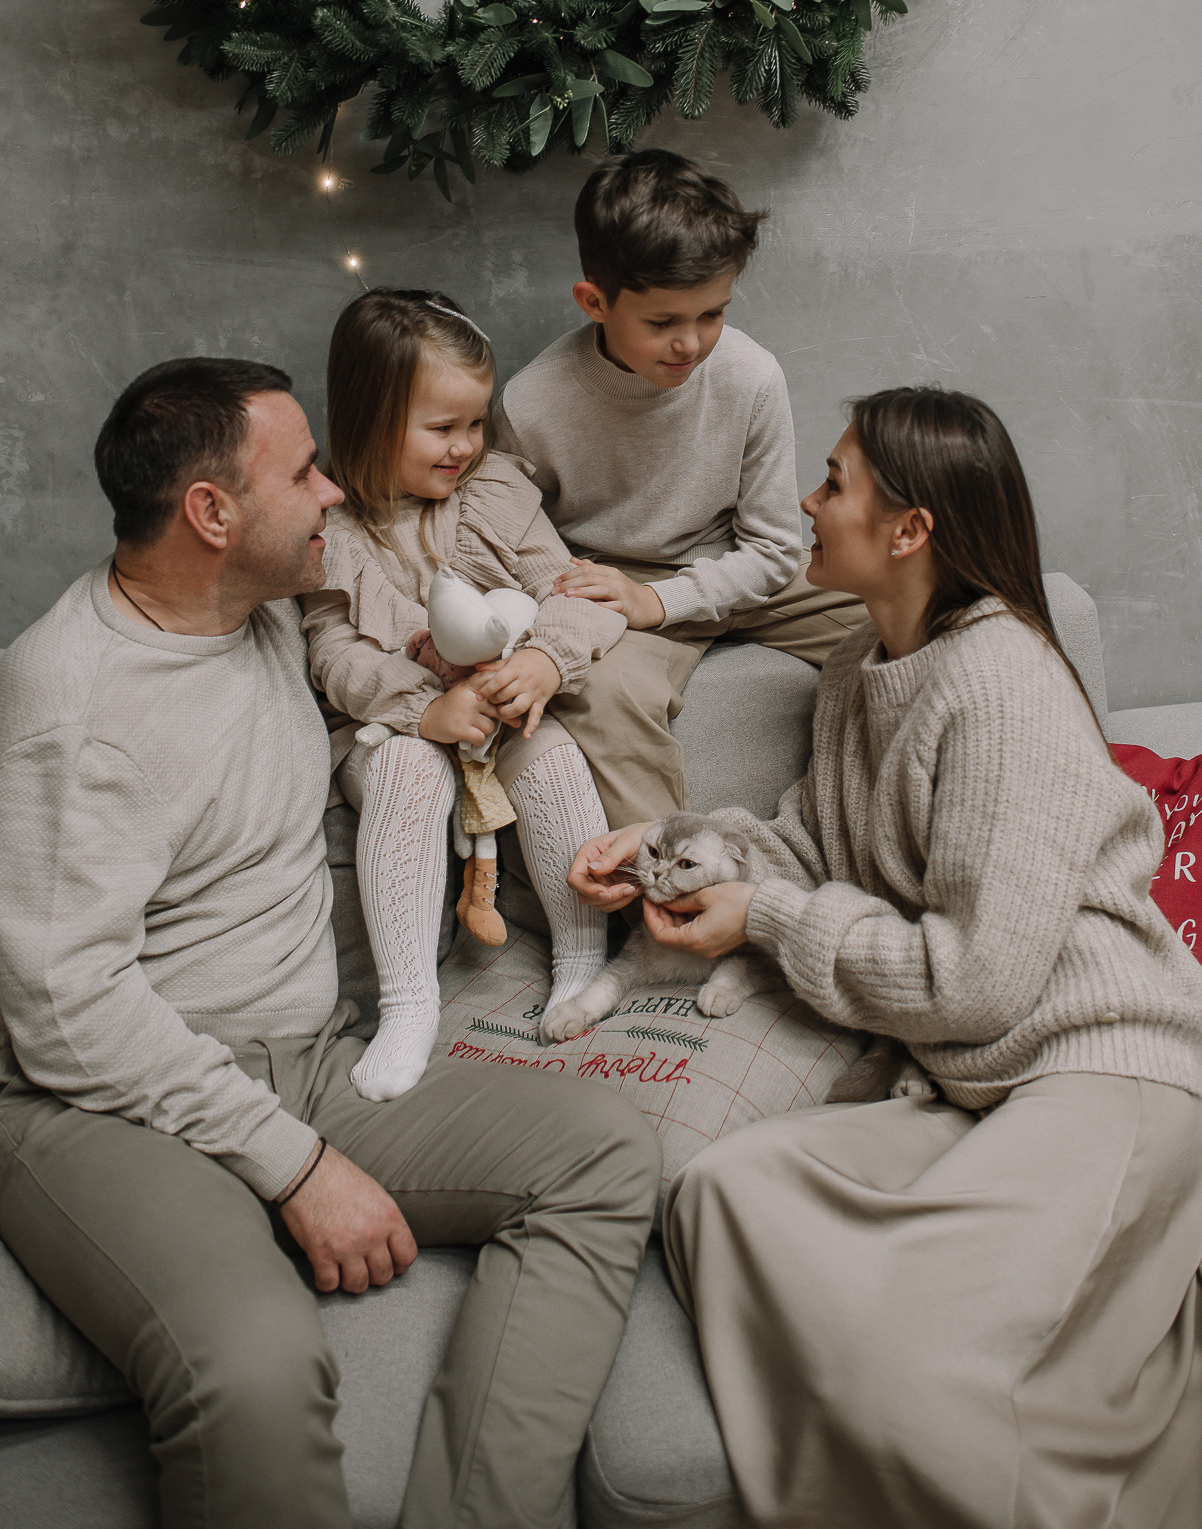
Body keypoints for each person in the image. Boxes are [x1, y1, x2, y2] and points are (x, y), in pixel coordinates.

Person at [0, 356, 661, 1529]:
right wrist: (294, 1166)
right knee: (250, 1364)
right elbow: (63, 1010)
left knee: (602, 1153)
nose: (328, 495)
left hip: (301, 1056)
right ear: (211, 514)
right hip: (100, 1100)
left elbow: (392, 682)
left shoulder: (252, 616)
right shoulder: (75, 713)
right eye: (301, 472)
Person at [570, 386, 1202, 1529]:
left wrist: (758, 917)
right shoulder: (861, 662)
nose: (805, 504)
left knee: (919, 1385)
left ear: (908, 530)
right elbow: (814, 847)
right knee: (720, 1192)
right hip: (964, 1082)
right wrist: (673, 848)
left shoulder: (1001, 684)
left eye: (832, 482)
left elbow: (974, 981)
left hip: (1099, 1073)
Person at [300, 288, 623, 1098]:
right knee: (411, 772)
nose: (465, 446)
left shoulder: (495, 493)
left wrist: (545, 659)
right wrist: (422, 710)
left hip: (502, 710)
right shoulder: (334, 530)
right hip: (389, 730)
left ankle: (580, 959)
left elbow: (573, 591)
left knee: (551, 760)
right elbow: (334, 654)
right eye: (442, 429)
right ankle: (410, 1001)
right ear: (370, 421)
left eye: (475, 423)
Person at [494, 147, 868, 828]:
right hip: (610, 582)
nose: (690, 344)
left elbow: (776, 549)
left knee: (912, 603)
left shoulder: (751, 375)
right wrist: (628, 600)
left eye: (712, 315)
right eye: (663, 323)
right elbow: (513, 541)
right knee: (604, 696)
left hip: (741, 560)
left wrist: (661, 599)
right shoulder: (533, 403)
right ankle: (672, 895)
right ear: (595, 302)